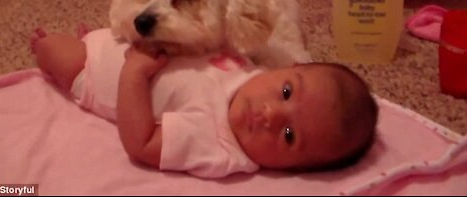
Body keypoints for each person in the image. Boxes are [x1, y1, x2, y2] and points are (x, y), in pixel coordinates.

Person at [31, 27, 379, 178]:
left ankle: (44, 45)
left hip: (95, 72)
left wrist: (133, 73)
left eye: (289, 135)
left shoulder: (218, 143)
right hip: (131, 43)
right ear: (291, 67)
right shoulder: (251, 70)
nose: (270, 114)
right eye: (286, 92)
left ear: (292, 170)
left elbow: (141, 143)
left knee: (54, 51)